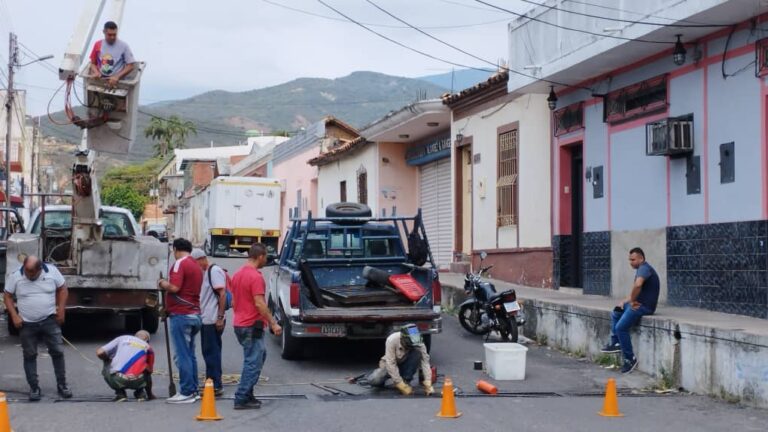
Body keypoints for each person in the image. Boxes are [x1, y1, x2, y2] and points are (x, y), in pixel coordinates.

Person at [3, 256, 73, 401]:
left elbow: (63, 289)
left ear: (40, 269)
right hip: (26, 323)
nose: (29, 275)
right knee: (29, 355)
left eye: (32, 273)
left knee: (57, 352)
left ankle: (62, 385)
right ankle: (34, 387)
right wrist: (14, 316)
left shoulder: (52, 272)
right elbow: (7, 296)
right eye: (26, 271)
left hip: (49, 320)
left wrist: (61, 310)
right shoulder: (16, 276)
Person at [230, 243, 282, 410]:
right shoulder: (255, 277)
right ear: (260, 256)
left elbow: (234, 301)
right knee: (253, 362)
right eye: (265, 257)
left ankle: (248, 394)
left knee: (258, 356)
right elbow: (259, 303)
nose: (266, 260)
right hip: (251, 325)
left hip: (240, 323)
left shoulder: (237, 274)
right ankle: (242, 397)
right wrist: (273, 323)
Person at [601, 247, 660, 374]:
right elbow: (636, 291)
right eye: (629, 260)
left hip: (644, 307)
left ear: (641, 259)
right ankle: (616, 343)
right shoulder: (641, 269)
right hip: (638, 304)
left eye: (633, 260)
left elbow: (638, 285)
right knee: (617, 311)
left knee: (620, 328)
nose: (630, 262)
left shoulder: (644, 268)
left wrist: (632, 301)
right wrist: (625, 301)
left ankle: (630, 359)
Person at [158, 238, 203, 403]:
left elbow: (175, 287)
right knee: (190, 355)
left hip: (182, 315)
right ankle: (194, 389)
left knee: (182, 355)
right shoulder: (196, 265)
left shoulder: (180, 264)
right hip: (195, 314)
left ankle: (186, 391)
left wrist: (162, 283)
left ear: (176, 249)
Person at [191, 248, 227, 397]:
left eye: (195, 263)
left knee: (212, 353)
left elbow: (222, 295)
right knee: (209, 352)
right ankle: (211, 382)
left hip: (212, 319)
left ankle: (215, 385)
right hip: (207, 318)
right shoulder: (205, 272)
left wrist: (219, 317)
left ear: (202, 259)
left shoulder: (214, 271)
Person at [365, 324, 434, 396]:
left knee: (417, 352)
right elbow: (391, 363)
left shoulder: (418, 342)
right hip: (389, 365)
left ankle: (406, 380)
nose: (412, 346)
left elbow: (425, 362)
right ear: (403, 338)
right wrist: (399, 384)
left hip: (405, 364)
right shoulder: (392, 340)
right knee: (375, 380)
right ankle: (390, 381)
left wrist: (428, 383)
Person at [97, 330, 155, 402]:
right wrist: (150, 395)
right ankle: (140, 393)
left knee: (107, 361)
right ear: (147, 341)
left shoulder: (123, 338)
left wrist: (108, 359)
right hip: (138, 381)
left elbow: (100, 352)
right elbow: (149, 371)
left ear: (134, 336)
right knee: (145, 369)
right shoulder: (148, 348)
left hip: (118, 379)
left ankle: (120, 394)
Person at [88, 21, 136, 88]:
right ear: (104, 32)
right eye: (110, 35)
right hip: (101, 80)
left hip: (118, 82)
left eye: (114, 34)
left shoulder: (124, 46)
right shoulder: (98, 44)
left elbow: (130, 66)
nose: (112, 37)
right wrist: (96, 72)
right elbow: (93, 63)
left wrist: (117, 77)